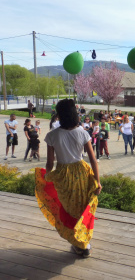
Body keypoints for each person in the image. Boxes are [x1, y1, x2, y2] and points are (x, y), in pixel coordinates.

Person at [36, 98, 101, 258]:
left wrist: (47, 177)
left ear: (59, 115)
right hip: (81, 172)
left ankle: (78, 243)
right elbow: (93, 159)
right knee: (82, 208)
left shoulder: (52, 135)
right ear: (74, 114)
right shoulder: (82, 132)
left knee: (69, 210)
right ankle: (84, 243)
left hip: (63, 175)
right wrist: (98, 181)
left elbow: (50, 162)